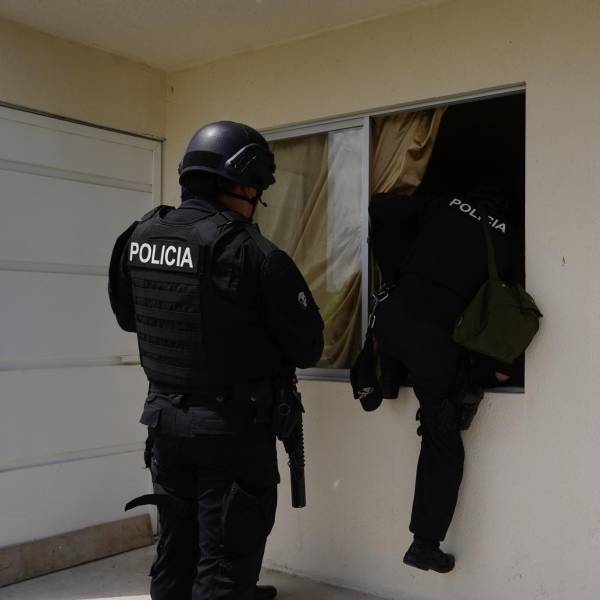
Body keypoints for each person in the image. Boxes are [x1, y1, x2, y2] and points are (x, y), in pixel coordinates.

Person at [108, 121, 324, 600]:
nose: (256, 202)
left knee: (176, 549)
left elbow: (129, 318)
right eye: (256, 192)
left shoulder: (139, 236)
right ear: (241, 185)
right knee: (225, 562)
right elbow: (309, 348)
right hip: (232, 431)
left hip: (164, 424)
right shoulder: (254, 253)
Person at [368, 184, 518, 573]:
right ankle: (425, 545)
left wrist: (398, 269)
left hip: (390, 318)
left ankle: (385, 382)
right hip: (433, 341)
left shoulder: (442, 205)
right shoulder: (509, 240)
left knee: (404, 348)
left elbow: (379, 208)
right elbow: (503, 311)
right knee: (443, 436)